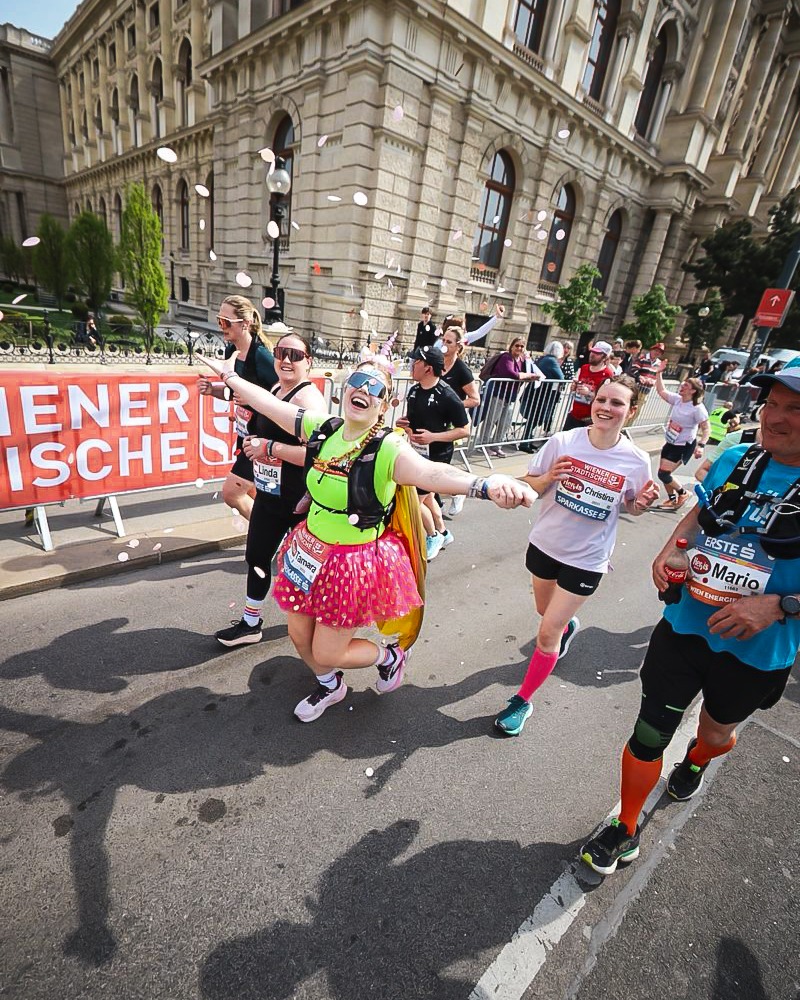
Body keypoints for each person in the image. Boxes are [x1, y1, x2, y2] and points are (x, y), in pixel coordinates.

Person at [198, 352, 536, 723]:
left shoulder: (389, 447)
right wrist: (231, 378)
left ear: (386, 403)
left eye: (374, 387)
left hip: (350, 563)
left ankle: (389, 657)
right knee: (298, 632)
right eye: (357, 383)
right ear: (345, 391)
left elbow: (433, 474)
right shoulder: (325, 428)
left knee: (326, 651)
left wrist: (485, 484)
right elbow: (271, 404)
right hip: (309, 549)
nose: (362, 390)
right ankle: (331, 686)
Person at [581, 362, 800, 875]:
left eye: (795, 409)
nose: (776, 418)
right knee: (650, 730)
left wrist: (779, 605)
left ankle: (699, 758)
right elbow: (700, 515)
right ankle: (627, 826)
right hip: (685, 626)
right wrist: (670, 551)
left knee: (716, 733)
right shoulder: (736, 459)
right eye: (771, 404)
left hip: (756, 652)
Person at [494, 375, 659, 736]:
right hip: (545, 546)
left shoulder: (635, 460)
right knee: (546, 612)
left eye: (617, 403)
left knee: (546, 631)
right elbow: (528, 483)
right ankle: (566, 625)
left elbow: (631, 506)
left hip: (588, 557)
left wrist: (642, 504)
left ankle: (523, 700)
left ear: (630, 413)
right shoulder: (563, 441)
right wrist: (548, 476)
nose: (606, 408)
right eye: (602, 400)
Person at [213, 333, 327, 647]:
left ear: (308, 362)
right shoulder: (276, 389)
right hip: (269, 493)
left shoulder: (309, 400)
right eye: (280, 352)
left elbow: (321, 454)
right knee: (258, 556)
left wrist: (270, 447)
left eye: (295, 354)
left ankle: (321, 626)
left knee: (308, 570)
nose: (286, 360)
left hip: (301, 501)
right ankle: (251, 623)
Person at [197, 297, 278, 520]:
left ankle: (266, 536)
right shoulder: (230, 352)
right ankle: (273, 535)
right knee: (256, 493)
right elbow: (234, 392)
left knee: (232, 493)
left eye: (225, 322)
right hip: (245, 435)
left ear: (244, 323)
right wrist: (212, 390)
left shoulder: (261, 356)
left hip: (262, 438)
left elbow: (283, 399)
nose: (221, 326)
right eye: (219, 320)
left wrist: (252, 402)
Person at [397, 346, 470, 561]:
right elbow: (414, 419)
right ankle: (443, 533)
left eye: (416, 362)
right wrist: (406, 425)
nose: (412, 366)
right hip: (415, 453)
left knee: (413, 501)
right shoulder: (414, 390)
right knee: (427, 499)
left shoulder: (448, 396)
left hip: (436, 456)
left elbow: (464, 430)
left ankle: (433, 535)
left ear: (428, 368)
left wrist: (433, 437)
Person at [652, 371, 710, 510]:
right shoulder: (677, 399)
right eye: (683, 384)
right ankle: (673, 499)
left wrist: (701, 445)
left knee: (664, 474)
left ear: (693, 391)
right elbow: (661, 390)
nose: (682, 386)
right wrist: (659, 373)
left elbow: (707, 429)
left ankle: (683, 493)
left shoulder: (697, 408)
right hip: (671, 441)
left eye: (686, 385)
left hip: (684, 445)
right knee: (663, 473)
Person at [440, 325, 480, 519]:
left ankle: (458, 492)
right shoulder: (437, 362)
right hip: (435, 420)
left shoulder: (462, 370)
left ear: (458, 346)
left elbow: (475, 399)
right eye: (443, 340)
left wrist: (453, 405)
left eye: (448, 342)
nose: (444, 345)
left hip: (454, 424)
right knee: (435, 464)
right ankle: (437, 502)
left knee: (442, 465)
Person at [482, 337, 541, 457]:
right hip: (499, 394)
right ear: (512, 346)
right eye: (517, 345)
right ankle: (484, 445)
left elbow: (528, 375)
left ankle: (497, 445)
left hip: (511, 396)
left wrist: (528, 370)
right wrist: (527, 375)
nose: (519, 348)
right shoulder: (506, 357)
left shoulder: (522, 360)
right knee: (491, 420)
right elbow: (511, 373)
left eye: (522, 346)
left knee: (505, 423)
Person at [519, 341, 565, 452]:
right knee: (534, 419)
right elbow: (561, 377)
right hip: (541, 394)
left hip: (535, 392)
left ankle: (528, 440)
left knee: (533, 418)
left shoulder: (543, 359)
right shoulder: (552, 361)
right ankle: (525, 442)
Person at [563, 340, 615, 431]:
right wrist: (574, 388)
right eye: (592, 351)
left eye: (597, 353)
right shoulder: (584, 368)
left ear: (605, 357)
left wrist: (589, 393)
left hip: (589, 419)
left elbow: (606, 399)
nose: (592, 354)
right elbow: (578, 389)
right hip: (574, 414)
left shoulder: (608, 374)